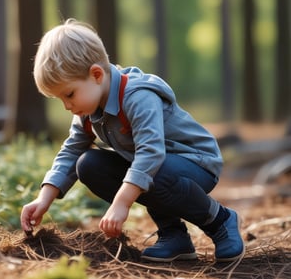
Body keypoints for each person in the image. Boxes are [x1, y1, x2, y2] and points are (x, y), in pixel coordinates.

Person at [20, 18, 245, 263]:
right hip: (159, 168)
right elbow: (71, 151)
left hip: (197, 163)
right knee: (89, 165)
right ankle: (174, 235)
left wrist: (122, 203)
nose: (67, 106)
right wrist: (44, 198)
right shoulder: (88, 111)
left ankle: (219, 220)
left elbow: (151, 153)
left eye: (69, 94)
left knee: (151, 170)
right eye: (60, 99)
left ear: (96, 74)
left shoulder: (138, 96)